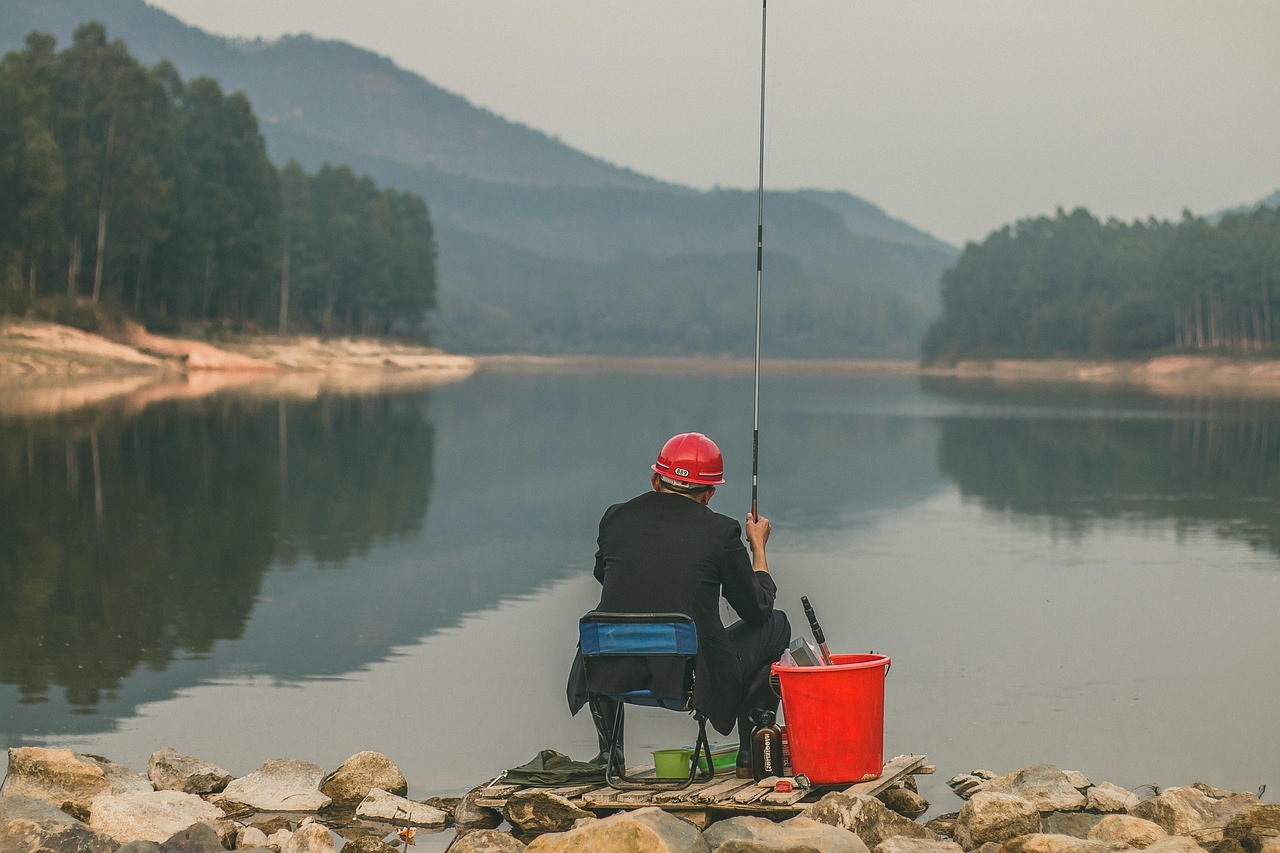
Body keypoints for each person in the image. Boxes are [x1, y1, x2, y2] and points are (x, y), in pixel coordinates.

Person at [567, 431, 791, 779]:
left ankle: (611, 755)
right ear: (709, 493)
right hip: (691, 679)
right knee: (777, 624)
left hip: (613, 670)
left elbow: (606, 576)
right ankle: (751, 753)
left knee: (606, 630)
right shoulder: (721, 532)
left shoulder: (615, 518)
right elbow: (756, 611)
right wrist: (758, 547)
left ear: (655, 478)